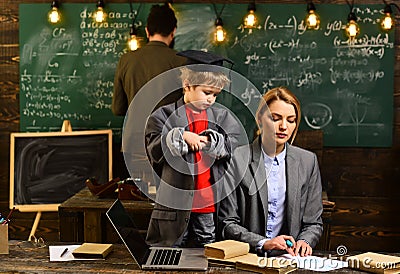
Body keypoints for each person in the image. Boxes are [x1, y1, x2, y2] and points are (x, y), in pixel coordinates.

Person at [144, 50, 243, 247]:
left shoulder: (223, 118)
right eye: (206, 92)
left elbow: (236, 146)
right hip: (174, 207)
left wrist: (209, 142)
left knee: (206, 253)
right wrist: (180, 136)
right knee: (171, 251)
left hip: (208, 205)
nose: (211, 99)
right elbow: (154, 150)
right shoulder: (162, 116)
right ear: (187, 85)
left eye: (215, 94)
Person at [219, 86, 323, 257]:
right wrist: (264, 243)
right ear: (260, 119)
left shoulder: (307, 161)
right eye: (275, 118)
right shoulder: (237, 158)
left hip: (290, 259)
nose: (283, 126)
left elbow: (313, 223)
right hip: (248, 256)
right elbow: (227, 222)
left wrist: (304, 241)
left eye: (291, 120)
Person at [112, 3, 186, 116]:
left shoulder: (126, 60)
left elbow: (118, 109)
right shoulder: (182, 61)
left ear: (147, 31)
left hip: (134, 131)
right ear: (173, 31)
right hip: (168, 131)